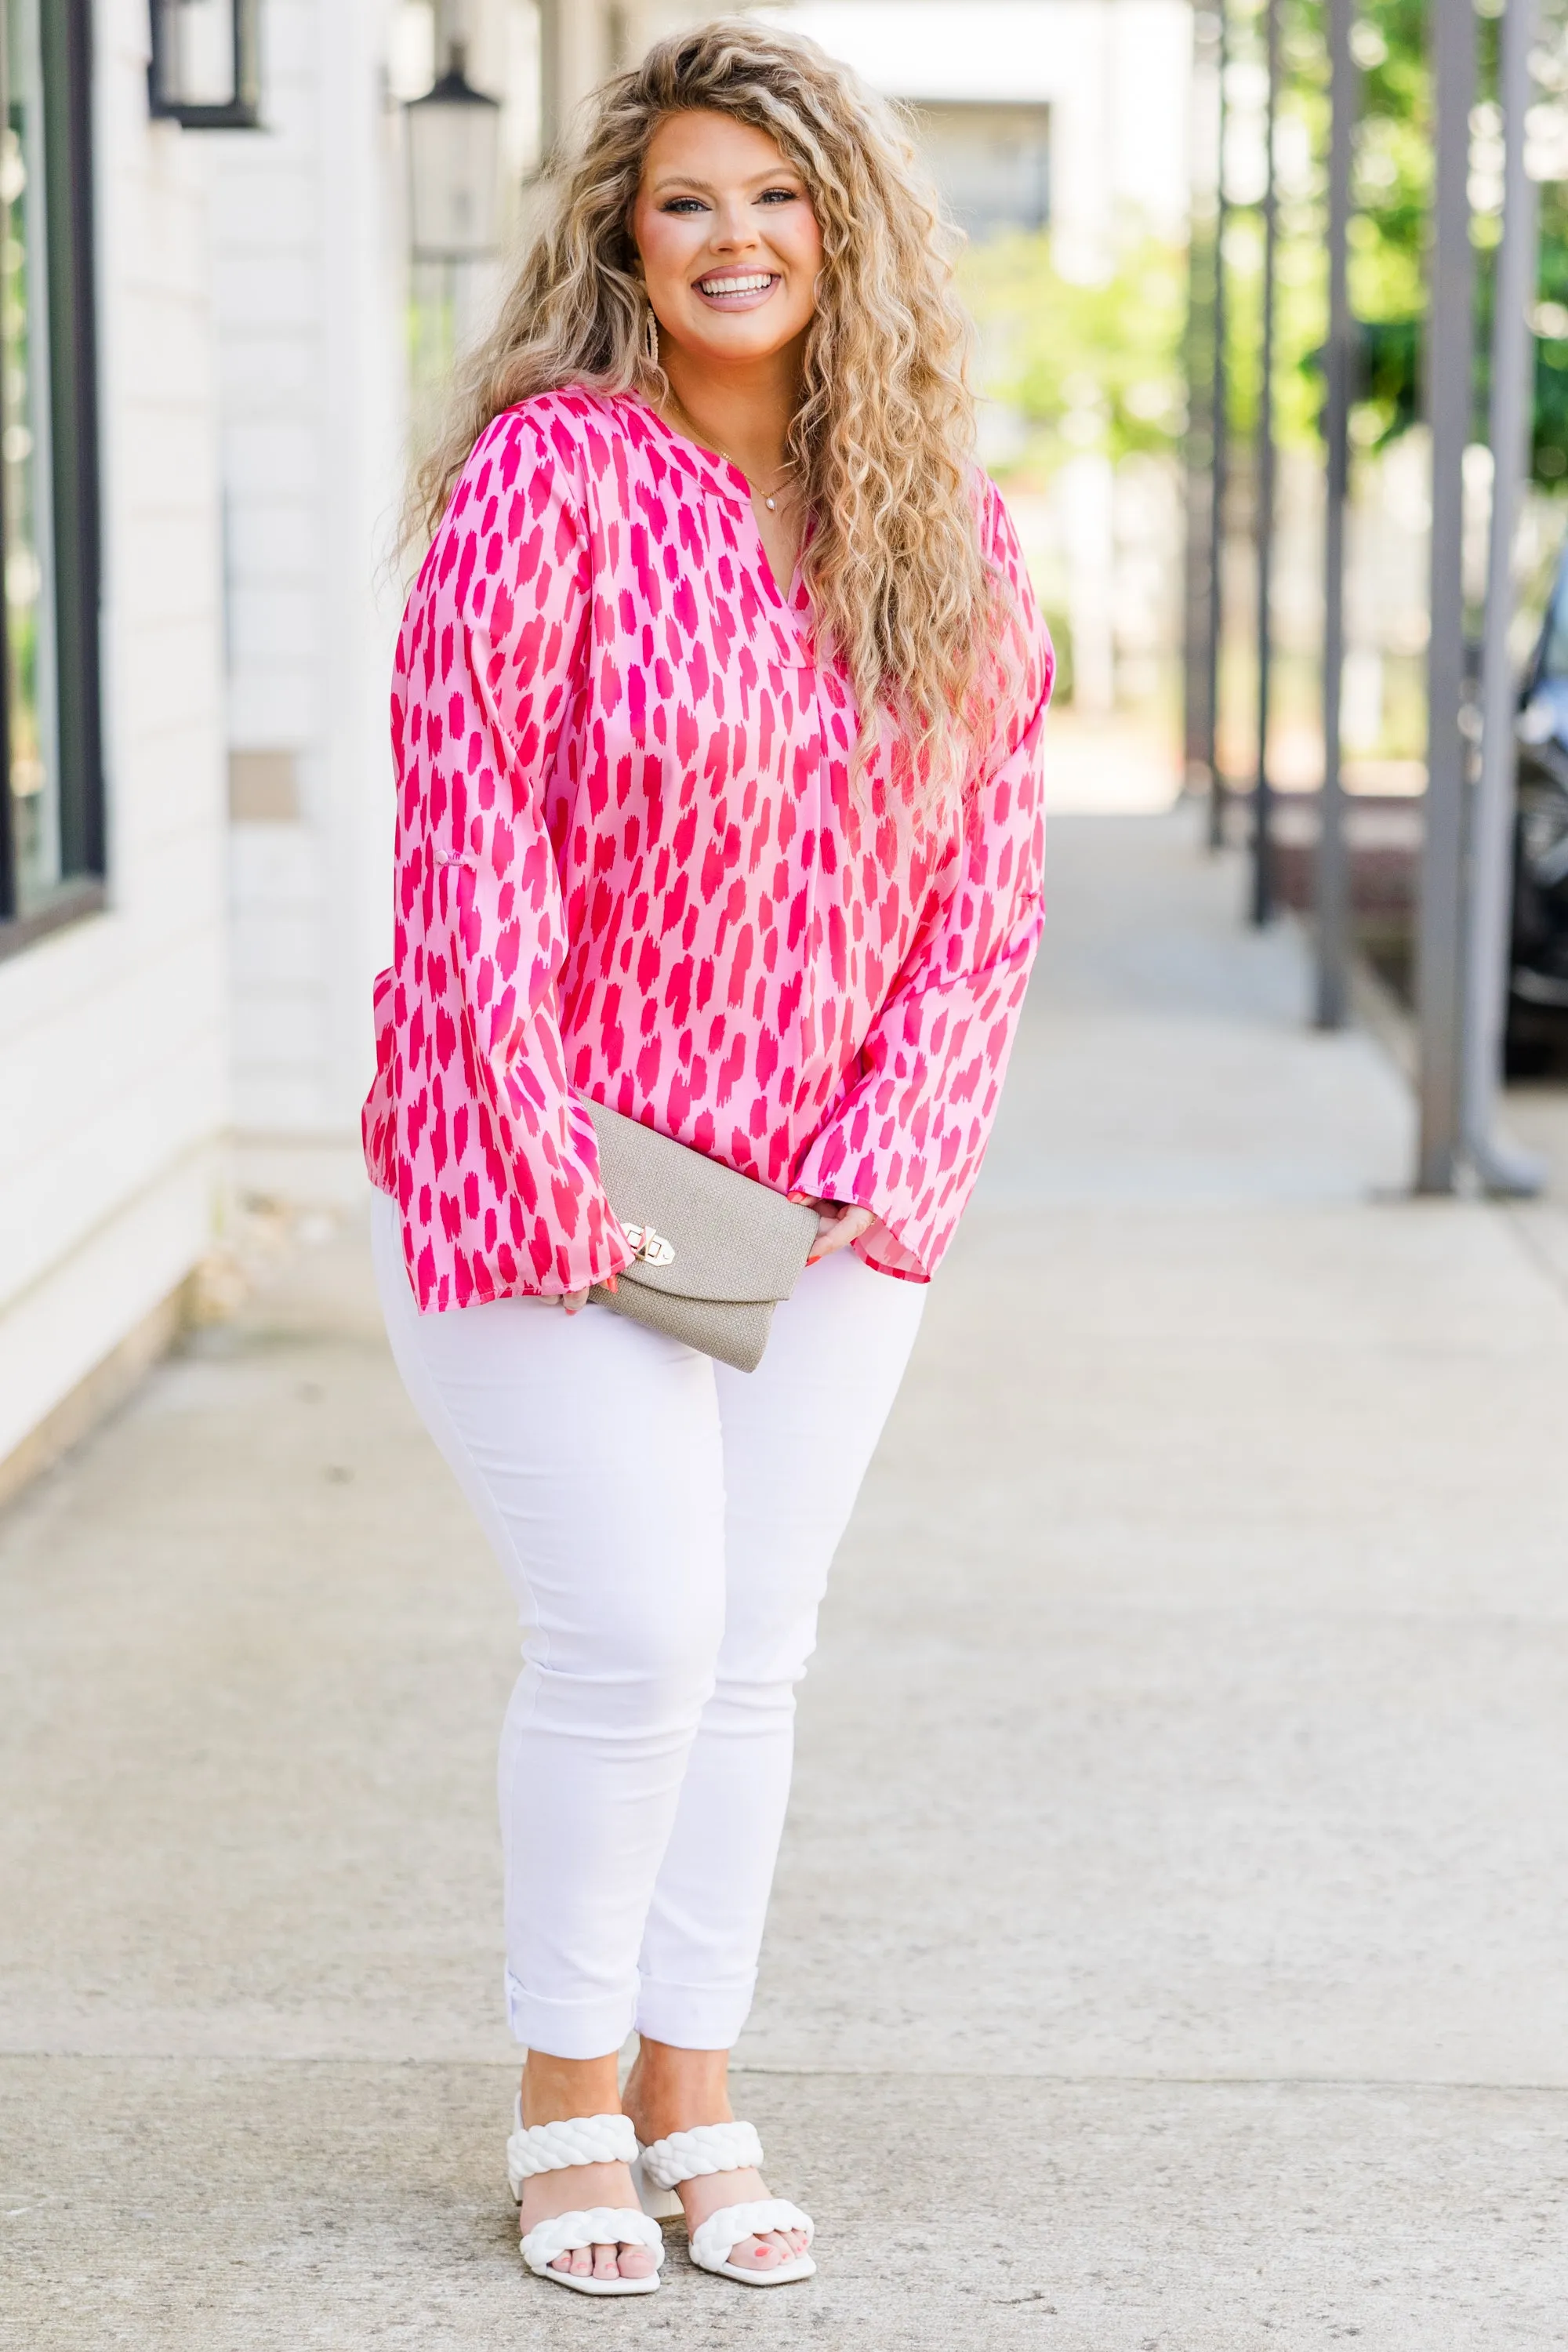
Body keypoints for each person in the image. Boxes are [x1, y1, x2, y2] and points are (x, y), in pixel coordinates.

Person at [363, 20, 1051, 2299]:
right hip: (540, 1165)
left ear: (847, 233)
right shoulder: (552, 479)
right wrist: (537, 1143)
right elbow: (465, 841)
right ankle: (566, 2104)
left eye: (777, 196)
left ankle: (695, 2083)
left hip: (835, 1197)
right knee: (634, 1630)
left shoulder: (952, 539)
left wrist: (893, 1156)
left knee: (752, 1652)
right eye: (687, 201)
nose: (734, 236)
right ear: (625, 244)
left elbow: (990, 892)